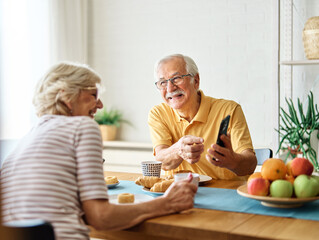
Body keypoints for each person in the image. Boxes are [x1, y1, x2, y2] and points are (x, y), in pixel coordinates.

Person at [0, 62, 197, 240]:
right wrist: (168, 203)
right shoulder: (82, 127)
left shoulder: (22, 144)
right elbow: (101, 218)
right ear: (66, 96)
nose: (100, 105)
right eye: (93, 96)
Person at [148, 54, 257, 180]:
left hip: (223, 193)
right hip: (179, 193)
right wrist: (179, 149)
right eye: (162, 82)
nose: (170, 88)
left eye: (177, 78)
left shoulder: (229, 110)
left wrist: (233, 161)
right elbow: (162, 161)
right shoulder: (158, 113)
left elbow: (250, 165)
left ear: (196, 81)